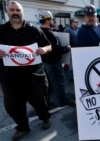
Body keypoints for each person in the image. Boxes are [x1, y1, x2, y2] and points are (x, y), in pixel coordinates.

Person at [0, 1, 51, 141]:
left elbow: (48, 45)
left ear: (22, 12)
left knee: (40, 101)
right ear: (7, 11)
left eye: (18, 10)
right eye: (12, 10)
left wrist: (44, 50)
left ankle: (45, 117)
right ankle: (22, 127)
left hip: (34, 76)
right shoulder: (2, 30)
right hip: (9, 78)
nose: (15, 12)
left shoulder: (33, 29)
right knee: (12, 106)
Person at [39, 10, 73, 108]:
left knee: (48, 83)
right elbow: (56, 49)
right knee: (59, 82)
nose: (53, 21)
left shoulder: (39, 31)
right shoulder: (50, 34)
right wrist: (67, 48)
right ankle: (62, 101)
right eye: (51, 20)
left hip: (44, 62)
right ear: (47, 20)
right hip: (53, 62)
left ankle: (47, 101)